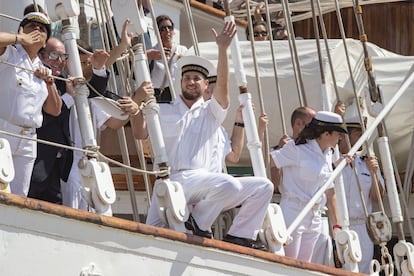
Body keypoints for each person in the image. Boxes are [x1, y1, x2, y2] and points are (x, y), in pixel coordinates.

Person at [133, 22, 273, 249]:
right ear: (180, 82)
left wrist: (223, 50)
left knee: (264, 186)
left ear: (206, 84)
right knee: (151, 237)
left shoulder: (211, 113)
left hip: (208, 184)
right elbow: (139, 132)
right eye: (187, 77)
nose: (191, 81)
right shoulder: (162, 109)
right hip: (176, 180)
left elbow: (224, 90)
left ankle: (239, 234)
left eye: (197, 78)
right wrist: (137, 105)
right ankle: (198, 225)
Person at [61, 40, 139, 210]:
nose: (86, 67)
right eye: (82, 63)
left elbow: (114, 122)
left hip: (90, 162)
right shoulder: (60, 87)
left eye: (89, 63)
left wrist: (136, 102)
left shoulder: (92, 95)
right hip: (68, 165)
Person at [270, 111, 347, 262]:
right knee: (289, 265)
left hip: (315, 216)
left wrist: (336, 226)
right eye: (338, 133)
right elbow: (271, 161)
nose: (341, 138)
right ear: (326, 134)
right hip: (294, 212)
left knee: (305, 265)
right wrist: (277, 181)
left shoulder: (328, 155)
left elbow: (330, 192)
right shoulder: (297, 148)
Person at [0, 12, 62, 196]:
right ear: (21, 30)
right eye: (31, 26)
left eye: (42, 29)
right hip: (4, 132)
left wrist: (49, 84)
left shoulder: (43, 68)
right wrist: (20, 39)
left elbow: (54, 110)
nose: (37, 30)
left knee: (20, 194)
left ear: (44, 43)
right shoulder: (9, 54)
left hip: (29, 139)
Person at [28, 37, 74, 204]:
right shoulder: (34, 79)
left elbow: (93, 85)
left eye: (63, 57)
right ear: (41, 56)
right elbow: (42, 118)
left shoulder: (64, 82)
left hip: (56, 165)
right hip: (35, 162)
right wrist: (68, 99)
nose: (60, 62)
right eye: (54, 55)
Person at [338, 115, 385, 274]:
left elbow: (377, 197)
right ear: (345, 135)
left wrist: (373, 173)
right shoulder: (332, 162)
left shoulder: (366, 163)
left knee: (363, 270)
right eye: (358, 133)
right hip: (338, 225)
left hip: (362, 228)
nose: (362, 138)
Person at [146, 15, 188, 103]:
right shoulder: (153, 53)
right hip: (158, 95)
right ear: (157, 31)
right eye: (163, 29)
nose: (167, 31)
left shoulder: (182, 50)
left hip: (177, 94)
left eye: (170, 28)